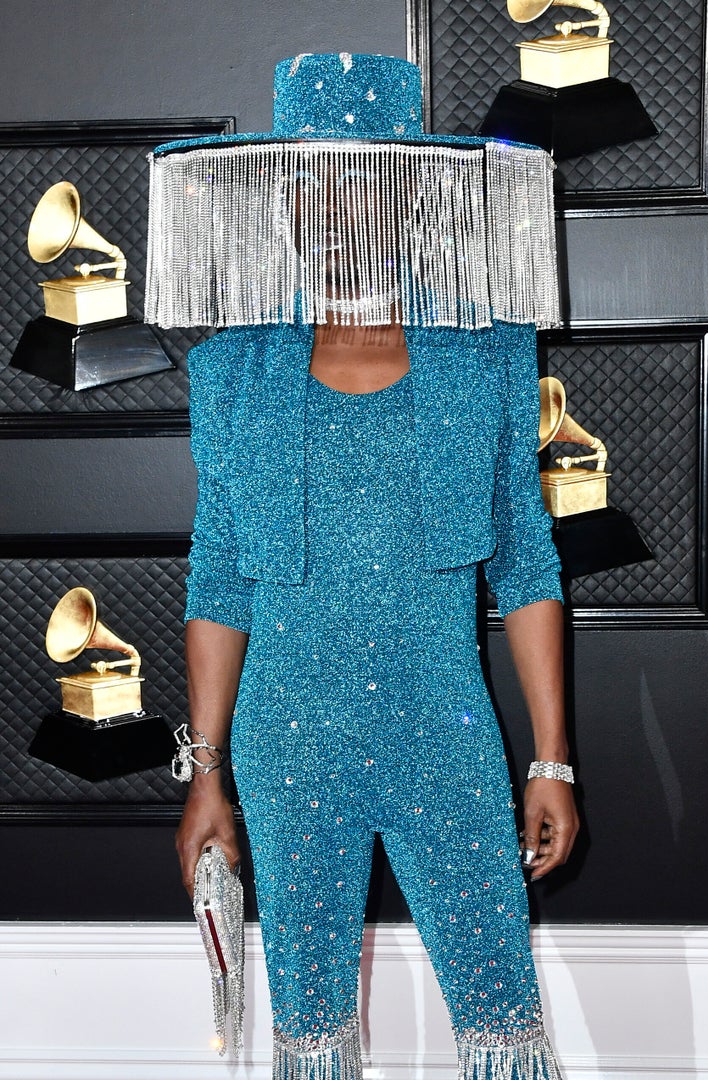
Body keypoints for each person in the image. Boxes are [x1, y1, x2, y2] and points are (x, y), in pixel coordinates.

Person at [146, 52, 579, 1080]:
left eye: (368, 184)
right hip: (288, 740)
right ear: (289, 201)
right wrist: (204, 777)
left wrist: (551, 756)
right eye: (319, 187)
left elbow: (524, 560)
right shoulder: (232, 367)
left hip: (446, 727)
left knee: (499, 1010)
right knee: (309, 1021)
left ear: (410, 195)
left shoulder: (488, 353)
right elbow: (219, 575)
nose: (343, 213)